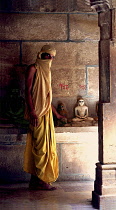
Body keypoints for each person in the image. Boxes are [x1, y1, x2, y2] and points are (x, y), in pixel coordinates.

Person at [24, 45, 64, 190]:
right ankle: (41, 181)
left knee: (45, 147)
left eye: (52, 56)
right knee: (40, 148)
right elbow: (27, 91)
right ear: (41, 55)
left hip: (46, 113)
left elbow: (46, 98)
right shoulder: (33, 68)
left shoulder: (47, 71)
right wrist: (32, 111)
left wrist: (56, 114)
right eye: (48, 55)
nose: (50, 59)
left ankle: (35, 180)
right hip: (36, 114)